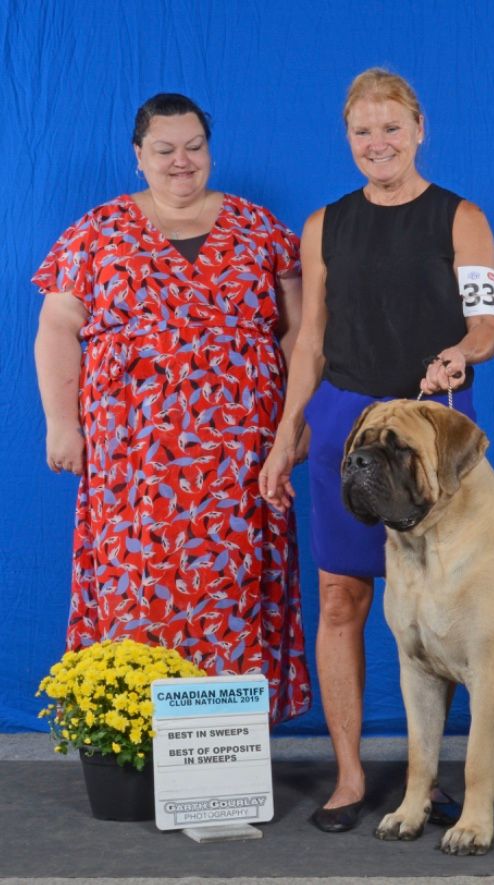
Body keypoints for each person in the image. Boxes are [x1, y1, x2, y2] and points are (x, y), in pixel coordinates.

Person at [259, 68, 494, 833]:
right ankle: (350, 775)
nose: (378, 142)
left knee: (442, 606)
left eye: (391, 127)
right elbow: (309, 343)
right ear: (348, 138)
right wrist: (285, 438)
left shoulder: (461, 217)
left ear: (419, 129)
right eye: (362, 131)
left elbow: (487, 325)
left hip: (433, 424)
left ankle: (427, 775)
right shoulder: (324, 224)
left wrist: (461, 354)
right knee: (340, 597)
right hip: (345, 421)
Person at [32, 93, 311, 726]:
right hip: (133, 454)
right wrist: (61, 423)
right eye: (164, 149)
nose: (181, 161)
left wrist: (295, 422)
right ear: (139, 156)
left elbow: (300, 331)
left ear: (209, 150)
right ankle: (136, 736)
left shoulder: (260, 228)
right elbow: (56, 328)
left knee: (234, 582)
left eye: (194, 146)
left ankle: (226, 747)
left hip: (242, 451)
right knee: (138, 580)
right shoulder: (96, 231)